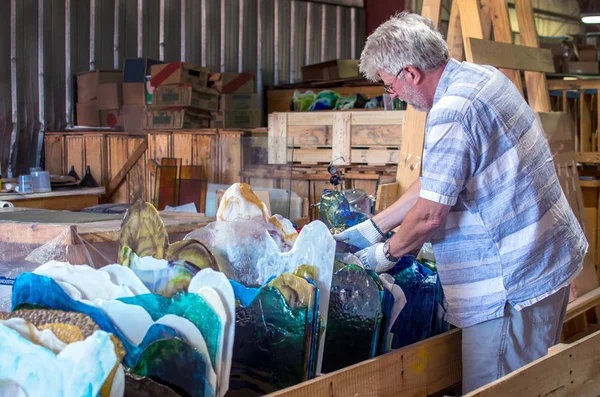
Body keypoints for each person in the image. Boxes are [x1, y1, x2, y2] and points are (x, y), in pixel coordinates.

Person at [334, 11, 588, 394]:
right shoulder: (480, 77)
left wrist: (376, 257)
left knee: (498, 390)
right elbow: (438, 180)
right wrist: (374, 225)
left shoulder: (452, 113)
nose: (395, 95)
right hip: (542, 262)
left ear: (411, 73)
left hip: (509, 288)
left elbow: (428, 218)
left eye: (390, 86)